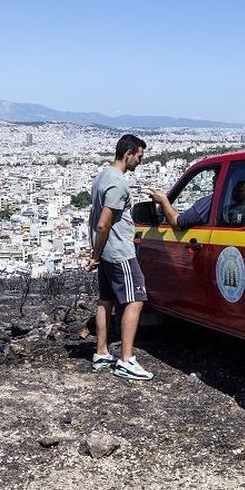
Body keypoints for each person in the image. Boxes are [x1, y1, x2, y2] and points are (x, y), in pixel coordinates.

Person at [85, 134, 153, 381]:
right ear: (128, 154)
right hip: (119, 251)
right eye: (139, 156)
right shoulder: (118, 183)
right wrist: (96, 253)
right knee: (135, 299)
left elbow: (93, 218)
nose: (140, 162)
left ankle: (101, 353)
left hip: (105, 251)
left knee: (106, 300)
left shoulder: (102, 176)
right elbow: (103, 223)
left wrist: (96, 252)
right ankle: (126, 360)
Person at [146, 191, 212, 231]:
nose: (213, 178)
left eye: (216, 175)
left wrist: (163, 200)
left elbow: (178, 223)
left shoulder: (210, 202)